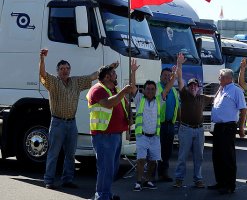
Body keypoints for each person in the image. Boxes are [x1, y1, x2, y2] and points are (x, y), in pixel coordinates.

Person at [39, 48, 118, 189]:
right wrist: (42, 59)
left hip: (71, 122)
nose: (65, 71)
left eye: (67, 68)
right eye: (62, 68)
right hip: (57, 122)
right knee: (53, 154)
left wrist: (110, 67)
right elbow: (43, 74)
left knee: (70, 154)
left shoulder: (76, 82)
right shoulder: (53, 82)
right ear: (57, 71)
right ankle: (49, 180)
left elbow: (94, 76)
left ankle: (67, 180)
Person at [87, 61, 133, 200]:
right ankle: (102, 196)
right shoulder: (97, 90)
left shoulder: (114, 89)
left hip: (116, 134)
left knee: (111, 168)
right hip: (104, 135)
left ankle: (105, 193)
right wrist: (124, 91)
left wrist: (129, 118)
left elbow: (125, 105)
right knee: (105, 168)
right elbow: (108, 104)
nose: (115, 75)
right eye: (112, 73)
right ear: (106, 77)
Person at [131, 60, 178, 192]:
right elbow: (132, 85)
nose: (150, 91)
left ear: (155, 90)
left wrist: (175, 73)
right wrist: (133, 71)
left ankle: (148, 180)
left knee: (153, 161)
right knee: (141, 160)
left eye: (152, 89)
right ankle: (138, 182)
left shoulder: (159, 100)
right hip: (142, 136)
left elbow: (168, 87)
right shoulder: (139, 98)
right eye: (148, 89)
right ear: (144, 90)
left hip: (155, 137)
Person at [173, 53, 214, 189]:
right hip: (185, 129)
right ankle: (179, 179)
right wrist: (179, 64)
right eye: (191, 85)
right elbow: (179, 80)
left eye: (195, 86)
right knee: (182, 157)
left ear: (198, 87)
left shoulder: (203, 98)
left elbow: (218, 96)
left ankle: (198, 180)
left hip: (200, 130)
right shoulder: (184, 95)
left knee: (199, 157)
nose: (193, 87)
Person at [208, 68, 247, 194]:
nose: (219, 78)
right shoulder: (221, 89)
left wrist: (241, 128)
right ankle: (220, 182)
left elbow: (243, 110)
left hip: (228, 127)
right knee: (217, 157)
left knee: (227, 157)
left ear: (229, 78)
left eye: (221, 76)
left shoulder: (236, 90)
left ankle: (230, 185)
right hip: (218, 127)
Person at [156, 66, 180, 182]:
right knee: (157, 150)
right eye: (164, 75)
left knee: (167, 151)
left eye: (168, 76)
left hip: (170, 125)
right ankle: (153, 174)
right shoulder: (156, 88)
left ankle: (163, 173)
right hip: (159, 124)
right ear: (160, 76)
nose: (166, 77)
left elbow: (177, 107)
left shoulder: (174, 91)